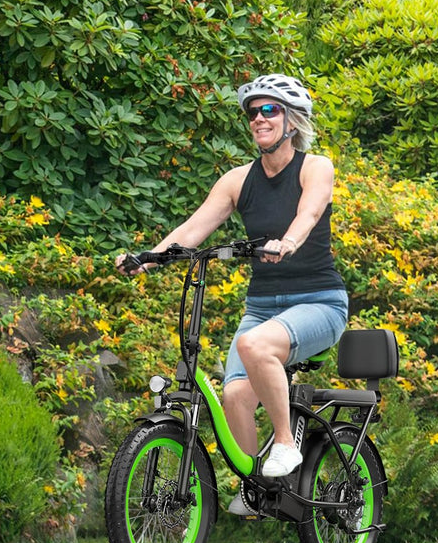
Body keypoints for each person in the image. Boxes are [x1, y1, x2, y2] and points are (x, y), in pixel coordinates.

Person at [116, 74, 348, 512]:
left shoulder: (316, 167)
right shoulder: (238, 180)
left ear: (291, 121)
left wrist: (289, 241)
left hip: (319, 302)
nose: (258, 119)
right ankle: (260, 485)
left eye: (269, 110)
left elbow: (310, 211)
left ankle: (285, 443)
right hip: (263, 306)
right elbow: (194, 229)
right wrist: (149, 256)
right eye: (252, 112)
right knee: (236, 395)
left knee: (252, 344)